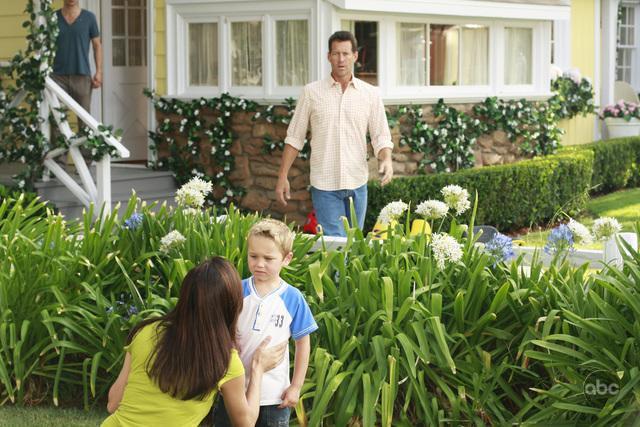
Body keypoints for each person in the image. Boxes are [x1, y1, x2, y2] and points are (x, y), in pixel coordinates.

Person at [102, 257, 287, 427]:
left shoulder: (145, 331)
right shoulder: (225, 360)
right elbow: (245, 423)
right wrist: (258, 368)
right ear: (231, 306)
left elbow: (113, 403)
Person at [275, 30, 394, 237]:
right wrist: (282, 176)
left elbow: (381, 136)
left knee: (354, 245)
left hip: (357, 184)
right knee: (336, 246)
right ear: (328, 56)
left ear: (355, 56)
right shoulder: (311, 93)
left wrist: (386, 159)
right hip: (325, 186)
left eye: (346, 54)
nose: (341, 59)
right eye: (336, 53)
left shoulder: (370, 94)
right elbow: (294, 137)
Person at [214, 219, 318, 427]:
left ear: (286, 259)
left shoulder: (292, 298)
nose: (259, 264)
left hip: (274, 395)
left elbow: (302, 343)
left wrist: (296, 386)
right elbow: (219, 330)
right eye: (253, 256)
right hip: (233, 390)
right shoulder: (236, 290)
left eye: (268, 258)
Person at [52, 0, 102, 129]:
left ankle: (84, 151)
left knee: (85, 123)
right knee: (57, 123)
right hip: (57, 77)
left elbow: (97, 45)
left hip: (82, 76)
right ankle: (59, 150)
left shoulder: (89, 18)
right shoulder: (53, 18)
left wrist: (99, 71)